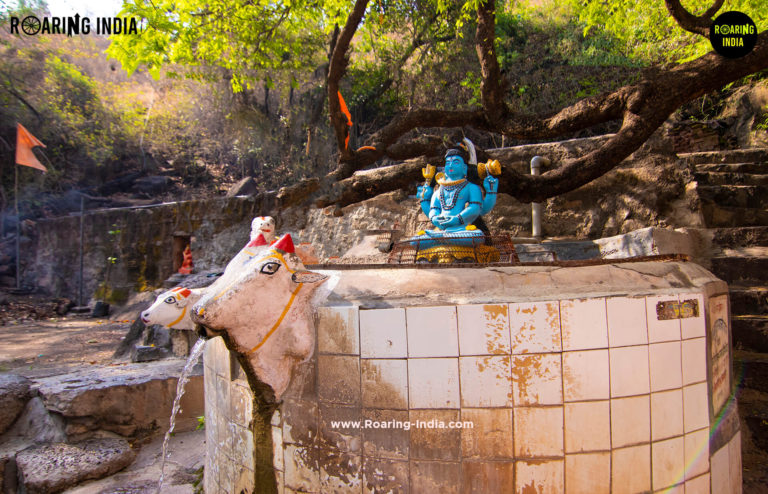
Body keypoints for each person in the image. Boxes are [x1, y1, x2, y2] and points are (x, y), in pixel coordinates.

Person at [411, 147, 498, 249]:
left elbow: (476, 208)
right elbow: (433, 210)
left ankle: (441, 238)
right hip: (441, 229)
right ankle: (443, 237)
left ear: (464, 168)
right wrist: (433, 216)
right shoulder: (438, 191)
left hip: (461, 230)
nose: (450, 165)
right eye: (448, 163)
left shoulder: (471, 187)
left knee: (477, 236)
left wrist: (457, 219)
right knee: (415, 241)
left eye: (456, 162)